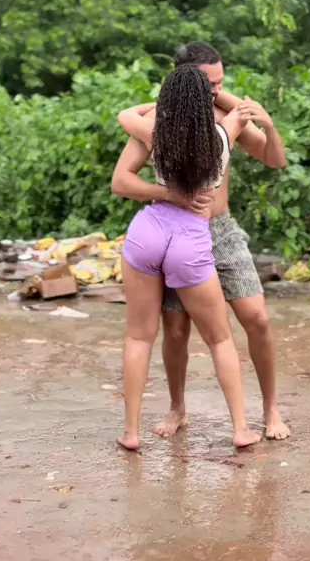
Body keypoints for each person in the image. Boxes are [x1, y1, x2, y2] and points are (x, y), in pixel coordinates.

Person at [113, 41, 290, 442]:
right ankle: (178, 408)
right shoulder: (163, 120)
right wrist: (171, 195)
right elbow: (122, 180)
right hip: (179, 231)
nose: (218, 91)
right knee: (176, 330)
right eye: (210, 84)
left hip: (220, 230)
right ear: (186, 78)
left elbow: (275, 159)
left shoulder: (229, 115)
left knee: (257, 318)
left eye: (221, 82)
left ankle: (271, 408)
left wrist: (269, 125)